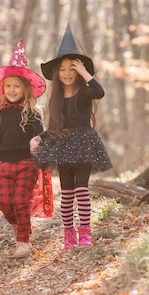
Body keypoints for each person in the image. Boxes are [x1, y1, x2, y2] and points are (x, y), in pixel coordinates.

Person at [31, 23, 113, 250]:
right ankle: (69, 235)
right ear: (57, 73)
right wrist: (39, 137)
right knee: (66, 193)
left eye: (72, 68)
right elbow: (56, 125)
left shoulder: (86, 92)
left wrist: (85, 72)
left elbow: (100, 92)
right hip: (63, 144)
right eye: (63, 69)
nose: (67, 73)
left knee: (81, 189)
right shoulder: (55, 98)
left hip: (85, 144)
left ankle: (85, 232)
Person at [0, 39, 52, 258]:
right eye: (8, 86)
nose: (12, 90)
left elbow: (41, 137)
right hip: (4, 165)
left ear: (25, 89)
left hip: (26, 163)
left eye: (17, 86)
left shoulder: (32, 114)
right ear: (2, 89)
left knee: (20, 201)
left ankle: (23, 241)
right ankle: (21, 228)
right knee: (5, 203)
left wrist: (37, 140)